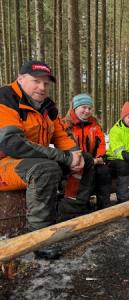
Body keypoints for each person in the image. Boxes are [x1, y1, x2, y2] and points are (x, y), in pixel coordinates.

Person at [0, 60, 88, 258]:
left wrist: (76, 154)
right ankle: (36, 240)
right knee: (46, 169)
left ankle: (70, 211)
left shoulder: (47, 106)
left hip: (29, 159)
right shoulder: (5, 99)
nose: (42, 87)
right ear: (20, 79)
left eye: (46, 83)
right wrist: (64, 157)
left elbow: (61, 135)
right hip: (5, 163)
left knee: (86, 161)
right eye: (36, 81)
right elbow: (12, 144)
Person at [63, 93, 111, 210]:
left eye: (89, 108)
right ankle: (78, 206)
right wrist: (87, 161)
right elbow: (66, 147)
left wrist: (100, 157)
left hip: (94, 160)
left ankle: (104, 206)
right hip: (74, 162)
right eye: (83, 107)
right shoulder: (65, 124)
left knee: (103, 171)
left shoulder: (94, 124)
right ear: (75, 108)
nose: (87, 111)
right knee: (79, 173)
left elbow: (101, 144)